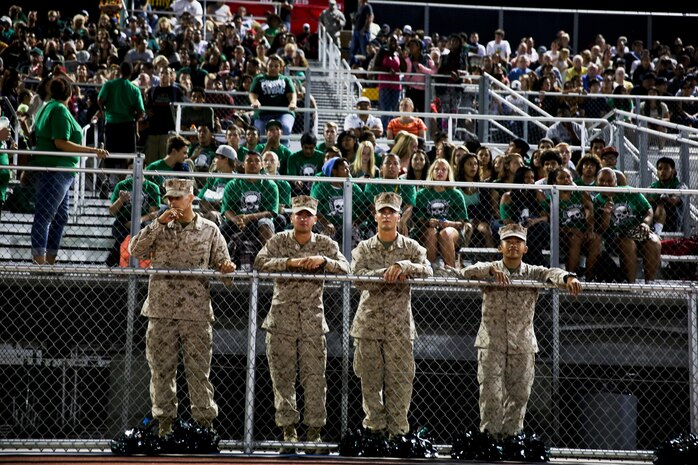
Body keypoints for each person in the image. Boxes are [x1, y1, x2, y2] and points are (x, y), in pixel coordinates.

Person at [452, 223, 582, 437]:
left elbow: (552, 272)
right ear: (500, 247)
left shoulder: (532, 272)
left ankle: (512, 440)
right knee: (491, 395)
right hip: (491, 343)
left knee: (519, 395)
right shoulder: (490, 269)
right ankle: (490, 440)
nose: (513, 245)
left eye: (518, 242)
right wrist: (490, 271)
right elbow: (464, 273)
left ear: (525, 249)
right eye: (508, 242)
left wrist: (569, 277)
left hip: (522, 344)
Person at [129, 178, 236, 437]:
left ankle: (204, 427)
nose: (172, 202)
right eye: (169, 198)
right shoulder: (159, 226)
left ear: (190, 197)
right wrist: (158, 223)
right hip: (161, 310)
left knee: (198, 372)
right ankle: (164, 427)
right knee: (161, 372)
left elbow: (225, 268)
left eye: (177, 197)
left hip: (196, 313)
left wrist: (226, 269)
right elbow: (135, 250)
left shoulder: (210, 229)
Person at [254, 195, 350, 454]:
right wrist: (290, 263)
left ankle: (314, 434)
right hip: (281, 320)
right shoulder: (279, 240)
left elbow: (346, 268)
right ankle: (289, 432)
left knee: (315, 379)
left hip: (312, 322)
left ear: (315, 219)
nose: (304, 218)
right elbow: (259, 263)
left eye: (308, 215)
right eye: (299, 214)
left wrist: (324, 262)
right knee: (282, 379)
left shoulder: (325, 244)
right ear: (292, 217)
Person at [350, 192, 433, 438]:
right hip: (369, 324)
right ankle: (374, 431)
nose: (386, 216)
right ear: (375, 216)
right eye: (382, 212)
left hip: (399, 325)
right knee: (370, 381)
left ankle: (398, 433)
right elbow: (356, 277)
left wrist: (404, 266)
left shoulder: (410, 247)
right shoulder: (363, 247)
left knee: (400, 381)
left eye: (391, 212)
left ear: (399, 217)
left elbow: (427, 270)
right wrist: (387, 272)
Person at [30, 75, 109, 265]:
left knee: (60, 216)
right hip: (56, 170)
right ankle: (41, 263)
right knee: (45, 216)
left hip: (59, 172)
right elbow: (60, 142)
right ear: (71, 93)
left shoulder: (47, 107)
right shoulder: (58, 109)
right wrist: (92, 151)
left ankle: (48, 260)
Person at [594, 167, 661, 283]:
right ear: (597, 182)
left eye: (610, 181)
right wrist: (606, 214)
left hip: (635, 230)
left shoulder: (629, 191)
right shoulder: (597, 200)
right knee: (628, 244)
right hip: (614, 237)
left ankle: (650, 284)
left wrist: (645, 224)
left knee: (654, 242)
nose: (605, 184)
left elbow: (648, 209)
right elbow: (602, 230)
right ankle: (631, 285)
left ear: (616, 183)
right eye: (602, 180)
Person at [221, 151, 280, 267]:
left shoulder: (270, 185)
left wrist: (249, 217)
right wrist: (236, 220)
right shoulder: (232, 184)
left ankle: (269, 262)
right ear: (243, 164)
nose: (253, 163)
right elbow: (226, 209)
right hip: (238, 220)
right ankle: (222, 262)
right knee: (222, 230)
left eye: (257, 161)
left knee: (265, 225)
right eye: (249, 160)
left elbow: (271, 212)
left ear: (262, 165)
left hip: (260, 219)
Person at [414, 158, 471, 270]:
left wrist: (449, 224)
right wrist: (428, 222)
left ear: (448, 173)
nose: (440, 172)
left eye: (443, 169)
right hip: (426, 230)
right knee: (431, 232)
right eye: (437, 169)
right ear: (432, 172)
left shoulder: (456, 194)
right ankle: (429, 270)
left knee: (446, 233)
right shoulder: (422, 193)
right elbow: (417, 219)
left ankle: (451, 271)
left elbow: (462, 222)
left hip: (452, 230)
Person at [548, 167, 601, 279]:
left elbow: (589, 210)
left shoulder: (580, 194)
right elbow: (551, 222)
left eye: (568, 177)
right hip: (561, 234)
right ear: (554, 181)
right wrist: (571, 230)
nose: (566, 180)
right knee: (575, 238)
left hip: (582, 231)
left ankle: (589, 276)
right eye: (562, 178)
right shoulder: (552, 197)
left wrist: (590, 229)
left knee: (596, 239)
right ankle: (570, 276)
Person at [107, 163, 161, 267]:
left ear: (144, 167)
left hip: (143, 220)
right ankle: (116, 263)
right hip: (123, 221)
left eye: (136, 168)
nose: (134, 171)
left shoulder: (152, 187)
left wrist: (139, 220)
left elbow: (153, 213)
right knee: (123, 236)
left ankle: (112, 263)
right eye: (131, 168)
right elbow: (112, 211)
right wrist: (121, 200)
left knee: (140, 236)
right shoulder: (122, 185)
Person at [97, 61, 144, 169]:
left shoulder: (109, 85)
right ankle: (122, 181)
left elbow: (100, 99)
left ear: (120, 71)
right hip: (128, 127)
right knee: (126, 157)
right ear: (131, 73)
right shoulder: (134, 90)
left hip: (111, 125)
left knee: (109, 154)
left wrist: (104, 111)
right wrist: (135, 120)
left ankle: (107, 180)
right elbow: (141, 111)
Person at [249, 54, 297, 136]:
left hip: (283, 112)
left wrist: (292, 103)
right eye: (270, 65)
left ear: (280, 67)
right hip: (263, 113)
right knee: (261, 132)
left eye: (276, 66)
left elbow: (292, 94)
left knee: (285, 128)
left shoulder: (285, 80)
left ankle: (283, 147)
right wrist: (255, 101)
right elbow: (253, 94)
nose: (273, 68)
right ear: (266, 66)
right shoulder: (259, 78)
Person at [647, 157, 687, 235]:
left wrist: (659, 199)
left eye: (666, 168)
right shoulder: (652, 187)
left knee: (661, 205)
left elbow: (674, 200)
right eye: (660, 169)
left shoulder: (680, 186)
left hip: (673, 223)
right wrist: (662, 198)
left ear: (673, 171)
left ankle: (656, 232)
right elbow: (646, 200)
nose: (662, 171)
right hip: (653, 219)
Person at [349, 0, 373, 64]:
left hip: (363, 33)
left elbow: (369, 18)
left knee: (364, 51)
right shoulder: (360, 8)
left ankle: (364, 67)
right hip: (356, 32)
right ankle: (351, 66)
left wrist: (364, 29)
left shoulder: (367, 7)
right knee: (353, 50)